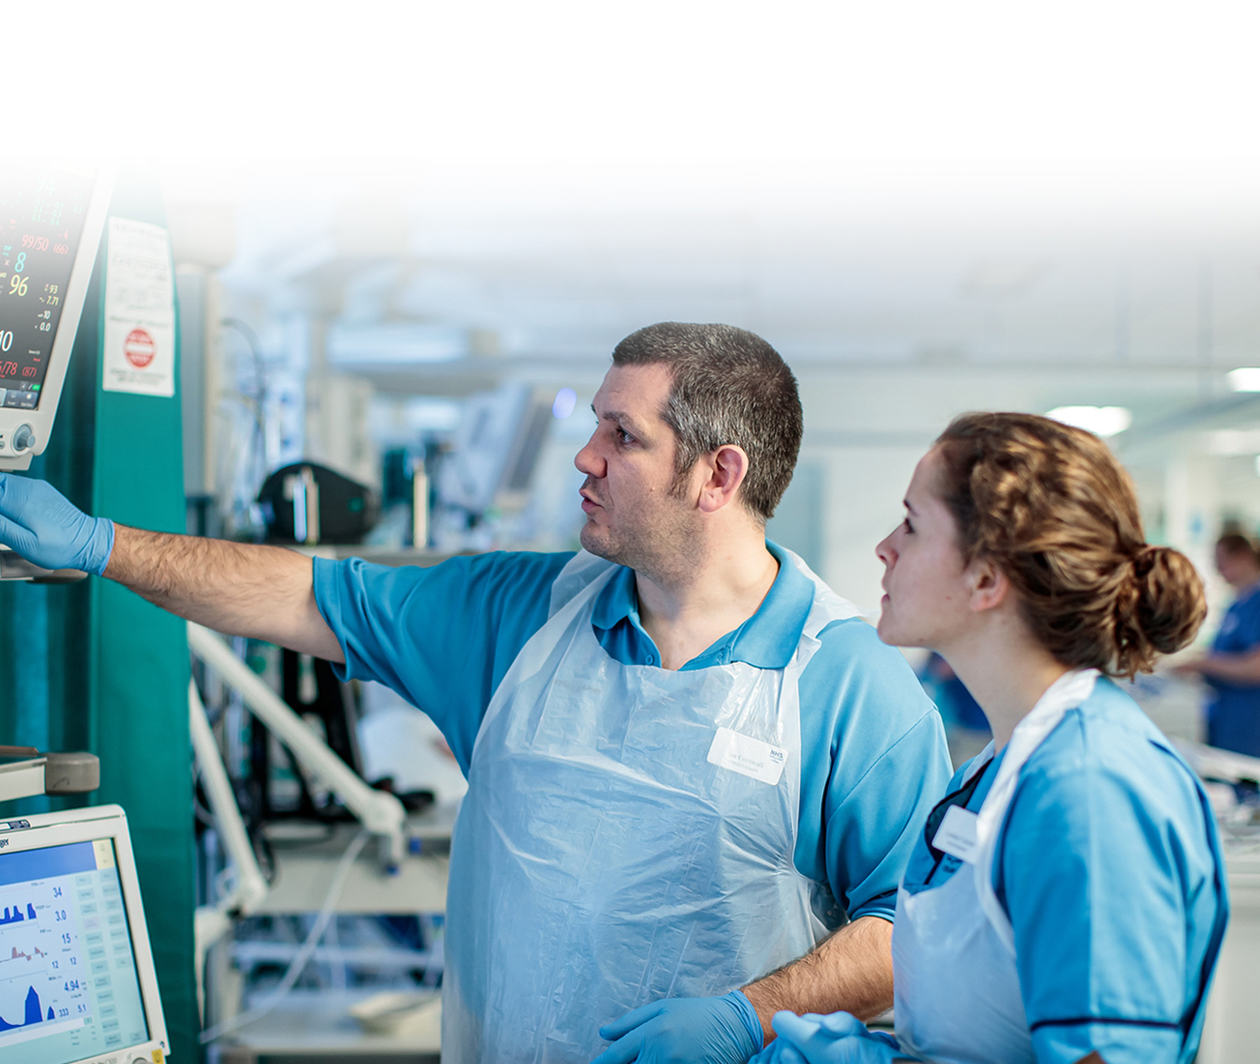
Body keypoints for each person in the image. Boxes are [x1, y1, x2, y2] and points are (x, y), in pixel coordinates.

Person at [0, 322, 952, 1064]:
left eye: (623, 436)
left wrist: (750, 1017)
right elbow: (295, 592)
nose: (586, 458)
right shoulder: (518, 614)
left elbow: (912, 934)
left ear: (718, 474)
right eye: (593, 426)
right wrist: (104, 546)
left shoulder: (847, 686)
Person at [748, 412, 1229, 1064]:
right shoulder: (1002, 767)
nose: (885, 548)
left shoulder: (1090, 788)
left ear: (986, 579)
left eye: (913, 525)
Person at [1173, 532, 1260, 756]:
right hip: (1225, 721)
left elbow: (1255, 667)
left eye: (1221, 561)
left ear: (1242, 556)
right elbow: (1225, 653)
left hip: (1248, 726)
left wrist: (1204, 664)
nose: (1218, 569)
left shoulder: (1256, 604)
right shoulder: (1237, 605)